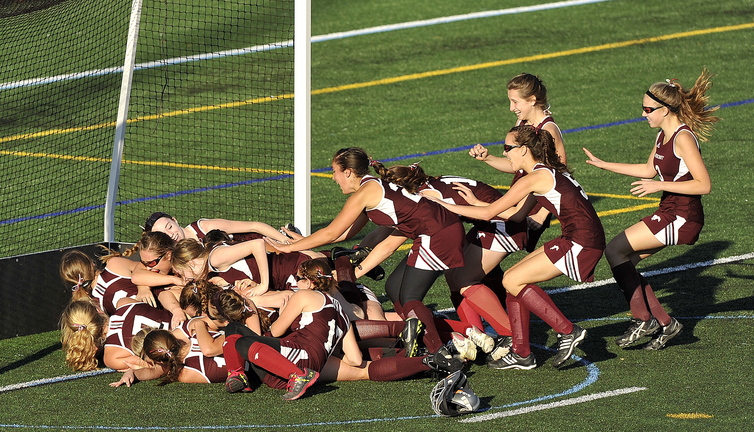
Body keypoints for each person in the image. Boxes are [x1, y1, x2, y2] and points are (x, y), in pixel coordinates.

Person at [424, 125, 605, 369]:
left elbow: (490, 212)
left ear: (524, 150)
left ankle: (567, 331)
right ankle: (522, 353)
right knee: (511, 281)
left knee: (512, 281)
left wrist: (444, 204)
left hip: (582, 241)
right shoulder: (540, 173)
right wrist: (475, 201)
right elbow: (516, 215)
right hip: (577, 236)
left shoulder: (535, 177)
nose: (505, 153)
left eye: (508, 148)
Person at [266, 147, 467, 357]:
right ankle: (440, 338)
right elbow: (343, 234)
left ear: (348, 172)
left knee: (409, 297)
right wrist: (301, 242)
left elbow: (331, 232)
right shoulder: (371, 187)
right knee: (395, 288)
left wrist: (287, 248)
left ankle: (439, 352)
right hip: (436, 231)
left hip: (438, 233)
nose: (333, 177)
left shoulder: (365, 193)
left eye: (334, 171)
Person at [582, 70, 718, 350]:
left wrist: (659, 186)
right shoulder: (661, 136)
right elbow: (647, 169)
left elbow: (704, 184)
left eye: (648, 109)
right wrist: (603, 164)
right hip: (670, 211)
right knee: (624, 262)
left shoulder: (683, 138)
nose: (643, 114)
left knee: (614, 250)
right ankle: (666, 323)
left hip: (682, 216)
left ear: (665, 110)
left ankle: (644, 319)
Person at [470, 73, 567, 252]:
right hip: (516, 199)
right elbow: (518, 167)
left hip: (532, 208)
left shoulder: (548, 129)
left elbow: (560, 175)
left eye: (515, 102)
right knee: (475, 245)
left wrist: (542, 215)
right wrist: (488, 158)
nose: (510, 108)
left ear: (531, 100)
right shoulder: (522, 123)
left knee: (479, 251)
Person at [143, 211, 294, 245]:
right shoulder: (171, 252)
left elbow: (255, 226)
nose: (170, 234)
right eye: (162, 234)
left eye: (169, 226)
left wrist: (286, 242)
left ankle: (287, 234)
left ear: (175, 220)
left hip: (261, 244)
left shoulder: (205, 227)